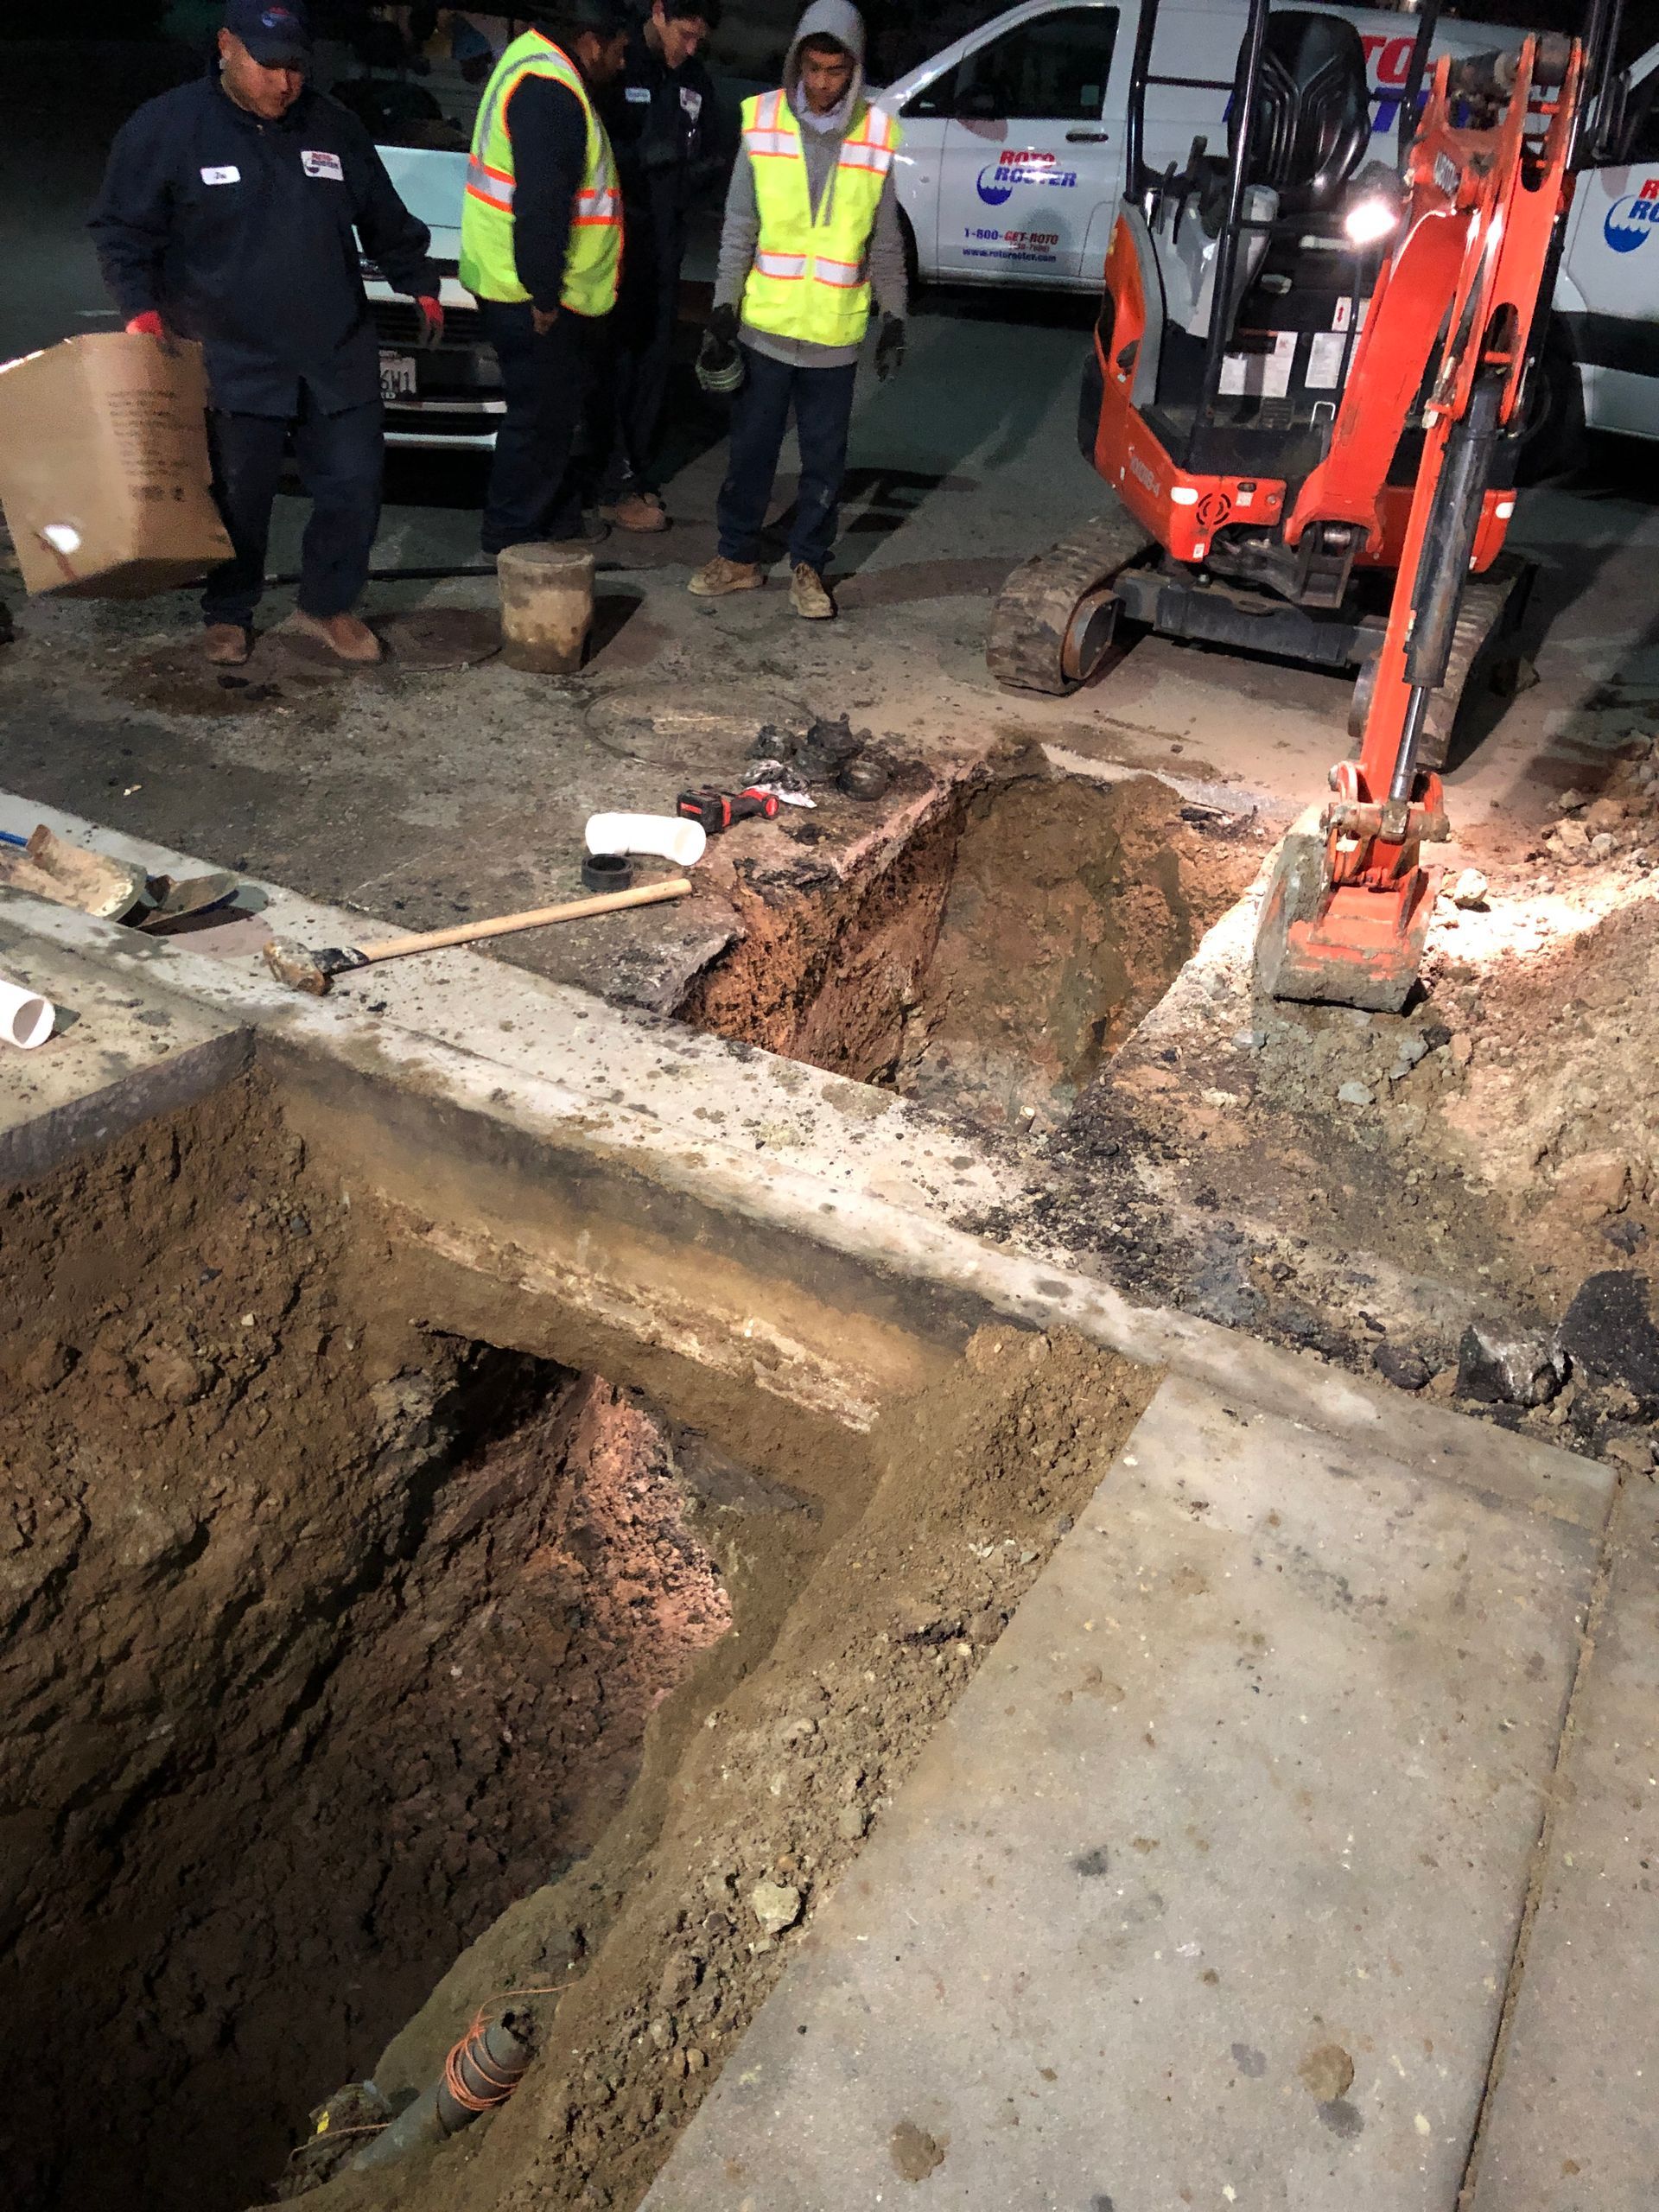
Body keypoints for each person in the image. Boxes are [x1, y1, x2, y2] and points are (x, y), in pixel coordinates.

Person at [88, 0, 442, 667]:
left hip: (334, 352)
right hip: (230, 356)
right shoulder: (168, 128)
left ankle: (327, 605)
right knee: (237, 498)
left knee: (354, 486)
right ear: (227, 46)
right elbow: (120, 231)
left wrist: (416, 278)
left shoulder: (333, 126)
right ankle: (228, 610)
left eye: (297, 68)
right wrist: (139, 309)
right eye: (270, 66)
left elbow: (383, 214)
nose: (285, 83)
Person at [688, 0, 906, 621]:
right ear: (796, 63)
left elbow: (884, 241)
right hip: (765, 330)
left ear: (854, 68)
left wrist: (894, 316)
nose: (822, 82)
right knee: (749, 452)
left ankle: (810, 564)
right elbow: (738, 228)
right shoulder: (761, 122)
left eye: (836, 69)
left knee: (824, 462)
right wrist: (723, 310)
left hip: (833, 337)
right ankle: (737, 557)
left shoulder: (875, 135)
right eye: (812, 67)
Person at [460, 0, 631, 557]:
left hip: (520, 283)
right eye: (619, 50)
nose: (622, 63)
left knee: (553, 417)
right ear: (590, 41)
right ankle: (510, 537)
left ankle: (551, 521)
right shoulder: (549, 88)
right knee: (538, 422)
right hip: (531, 293)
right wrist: (543, 293)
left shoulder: (529, 61)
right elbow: (542, 202)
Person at [594, 0, 725, 532]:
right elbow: (592, 144)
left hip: (666, 240)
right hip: (615, 237)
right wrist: (641, 157)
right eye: (685, 35)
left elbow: (716, 149)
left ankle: (636, 471)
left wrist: (696, 174)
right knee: (614, 360)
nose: (690, 48)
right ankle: (610, 477)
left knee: (654, 358)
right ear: (659, 12)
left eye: (700, 40)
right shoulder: (620, 60)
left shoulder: (695, 79)